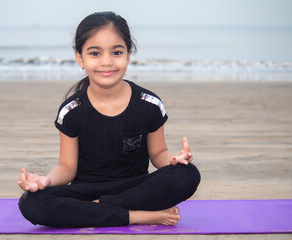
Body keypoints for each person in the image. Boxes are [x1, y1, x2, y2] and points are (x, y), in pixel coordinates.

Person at [18, 11, 200, 228]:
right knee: (31, 202)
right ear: (79, 58)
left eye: (116, 52)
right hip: (86, 190)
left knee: (187, 174)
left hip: (134, 189)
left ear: (128, 54)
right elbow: (67, 166)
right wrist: (45, 180)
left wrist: (173, 161)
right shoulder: (72, 111)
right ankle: (139, 216)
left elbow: (158, 154)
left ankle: (98, 209)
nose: (106, 62)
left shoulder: (149, 104)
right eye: (95, 53)